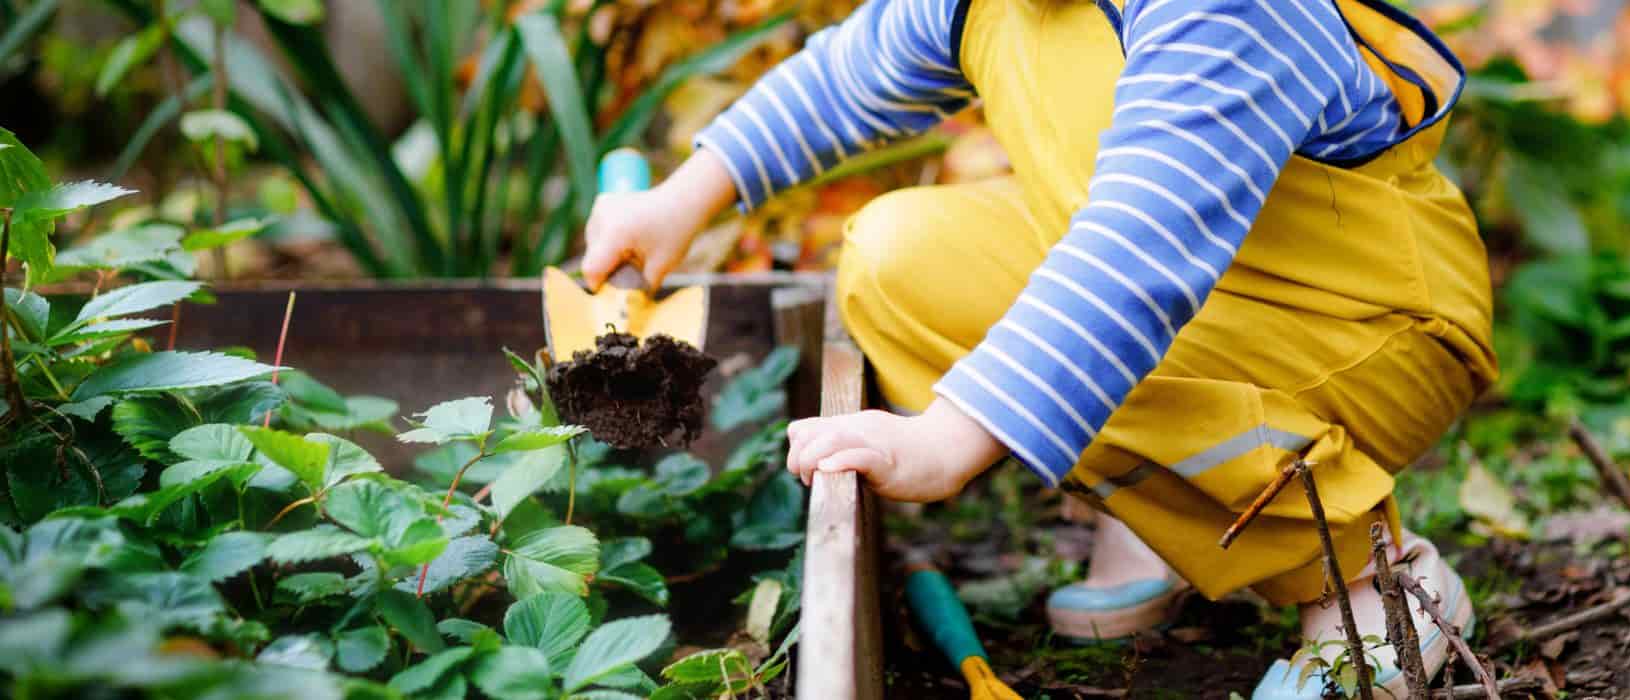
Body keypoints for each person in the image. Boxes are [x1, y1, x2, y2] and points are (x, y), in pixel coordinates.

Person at [579, 0, 1494, 694]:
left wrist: (948, 437)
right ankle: (1165, 522)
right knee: (896, 262)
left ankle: (1371, 584)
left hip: (1358, 324)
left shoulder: (1227, 12)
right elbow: (850, 74)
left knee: (1091, 337)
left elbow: (1137, 260)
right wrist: (686, 197)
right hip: (1200, 288)